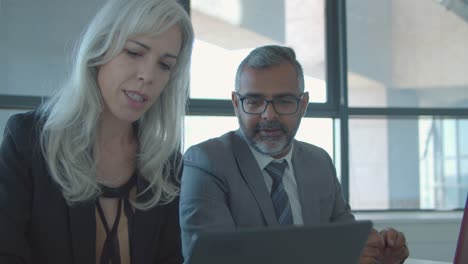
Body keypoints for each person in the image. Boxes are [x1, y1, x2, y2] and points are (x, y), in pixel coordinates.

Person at [0, 0, 193, 263]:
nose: (148, 75)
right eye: (134, 52)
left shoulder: (167, 166)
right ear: (99, 49)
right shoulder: (28, 141)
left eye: (164, 65)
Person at [179, 45, 409, 264]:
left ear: (304, 104)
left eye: (284, 101)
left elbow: (348, 245)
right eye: (254, 101)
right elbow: (215, 261)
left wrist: (378, 255)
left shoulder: (319, 162)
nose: (268, 115)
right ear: (236, 104)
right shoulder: (207, 162)